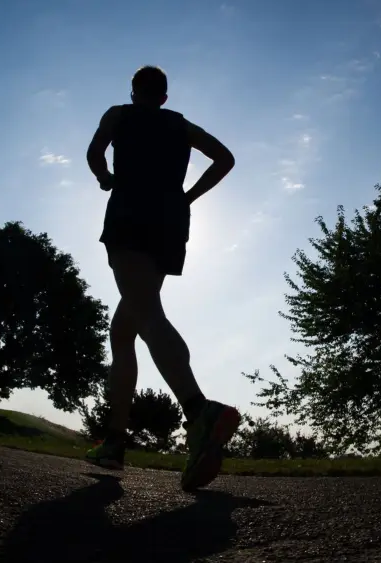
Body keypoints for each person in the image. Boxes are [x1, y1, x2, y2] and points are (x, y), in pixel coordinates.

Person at [83, 65, 241, 491]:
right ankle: (115, 440)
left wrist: (105, 178)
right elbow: (225, 159)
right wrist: (188, 195)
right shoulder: (181, 124)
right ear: (165, 97)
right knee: (124, 330)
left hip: (130, 216)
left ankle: (199, 410)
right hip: (170, 224)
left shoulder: (119, 114)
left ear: (134, 91)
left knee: (147, 314)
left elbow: (95, 153)